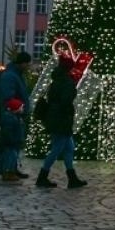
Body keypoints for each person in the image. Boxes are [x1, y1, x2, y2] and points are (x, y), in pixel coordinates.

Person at [36, 53, 86, 189]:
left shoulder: (55, 80)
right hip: (62, 119)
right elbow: (66, 101)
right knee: (57, 149)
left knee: (69, 147)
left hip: (53, 116)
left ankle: (72, 177)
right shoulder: (67, 82)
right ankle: (43, 176)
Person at [3, 52, 34, 177]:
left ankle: (13, 169)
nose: (28, 66)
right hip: (12, 115)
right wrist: (19, 108)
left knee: (15, 144)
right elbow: (7, 96)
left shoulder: (18, 75)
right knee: (11, 144)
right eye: (27, 64)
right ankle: (8, 170)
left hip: (17, 115)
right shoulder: (11, 76)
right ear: (22, 63)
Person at [0, 97, 26, 182]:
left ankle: (10, 172)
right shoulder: (10, 118)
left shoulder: (15, 117)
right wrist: (12, 140)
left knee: (12, 157)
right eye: (21, 107)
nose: (22, 109)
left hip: (14, 142)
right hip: (11, 143)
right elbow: (7, 132)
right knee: (10, 158)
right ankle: (7, 173)